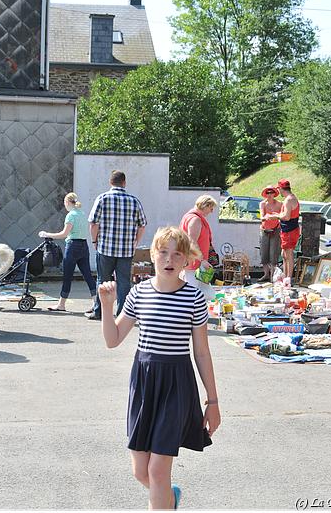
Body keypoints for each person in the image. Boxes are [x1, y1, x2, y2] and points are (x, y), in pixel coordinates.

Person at [98, 226, 220, 509]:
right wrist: (107, 306)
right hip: (144, 382)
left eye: (177, 254)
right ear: (152, 255)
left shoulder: (193, 297)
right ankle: (169, 498)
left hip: (177, 384)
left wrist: (212, 401)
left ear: (186, 260)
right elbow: (112, 340)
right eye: (163, 252)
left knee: (157, 471)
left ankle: (163, 500)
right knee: (141, 471)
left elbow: (201, 352)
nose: (169, 259)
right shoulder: (139, 293)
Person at [87, 170, 147, 320]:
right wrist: (135, 242)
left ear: (110, 182)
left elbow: (93, 223)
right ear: (124, 182)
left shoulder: (102, 198)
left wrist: (94, 241)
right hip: (126, 251)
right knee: (124, 283)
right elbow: (142, 225)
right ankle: (123, 314)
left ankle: (99, 311)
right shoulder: (134, 200)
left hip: (105, 248)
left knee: (102, 280)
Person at [38, 192, 97, 312]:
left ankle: (61, 304)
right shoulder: (82, 214)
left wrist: (47, 234)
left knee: (67, 276)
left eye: (65, 203)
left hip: (72, 246)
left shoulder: (70, 215)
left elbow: (64, 234)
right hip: (84, 246)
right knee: (87, 275)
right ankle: (96, 303)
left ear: (67, 202)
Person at [179, 195, 218, 299]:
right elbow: (192, 242)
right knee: (193, 294)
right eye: (211, 208)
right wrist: (202, 260)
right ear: (206, 205)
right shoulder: (195, 219)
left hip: (195, 263)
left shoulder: (191, 217)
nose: (212, 211)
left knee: (207, 294)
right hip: (194, 264)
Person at [265, 179, 300, 281]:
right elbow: (285, 215)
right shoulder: (289, 198)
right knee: (284, 254)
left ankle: (288, 278)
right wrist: (276, 215)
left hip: (290, 230)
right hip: (287, 229)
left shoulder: (289, 199)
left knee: (288, 254)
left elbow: (287, 217)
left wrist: (275, 217)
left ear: (281, 188)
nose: (278, 191)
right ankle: (285, 276)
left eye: (278, 189)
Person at [258, 185, 282, 282]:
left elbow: (282, 216)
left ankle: (272, 275)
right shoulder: (262, 204)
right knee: (264, 253)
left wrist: (275, 217)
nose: (269, 194)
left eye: (271, 192)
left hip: (275, 230)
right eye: (267, 192)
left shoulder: (280, 204)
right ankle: (266, 274)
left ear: (274, 193)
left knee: (274, 253)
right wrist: (267, 217)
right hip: (264, 229)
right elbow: (261, 217)